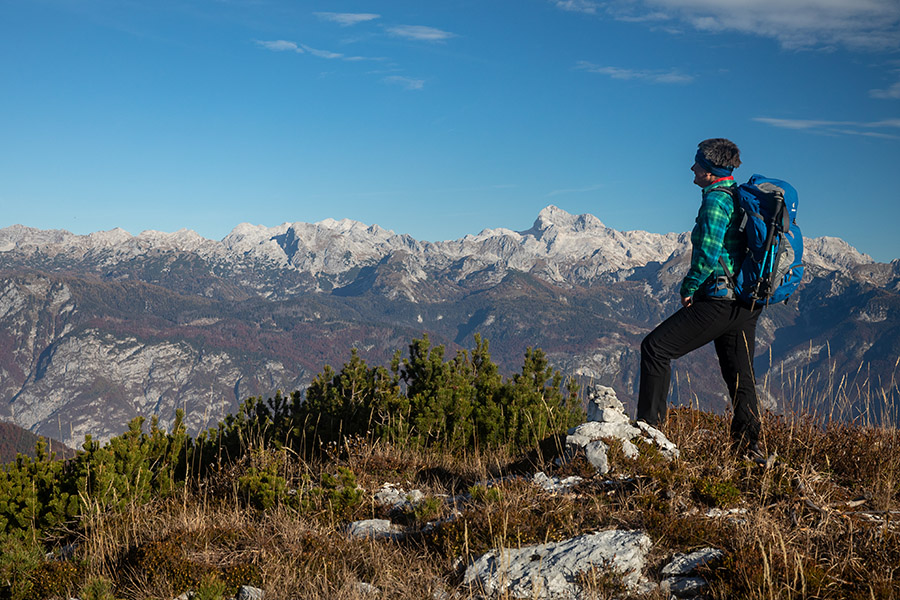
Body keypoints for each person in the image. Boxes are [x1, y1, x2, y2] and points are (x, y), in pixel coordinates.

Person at [636, 138, 763, 459]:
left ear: (710, 171)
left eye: (698, 163)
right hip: (746, 302)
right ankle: (749, 448)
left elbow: (707, 254)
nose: (692, 167)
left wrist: (689, 286)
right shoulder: (738, 196)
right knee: (740, 375)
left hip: (720, 299)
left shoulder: (716, 203)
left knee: (655, 348)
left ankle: (649, 435)